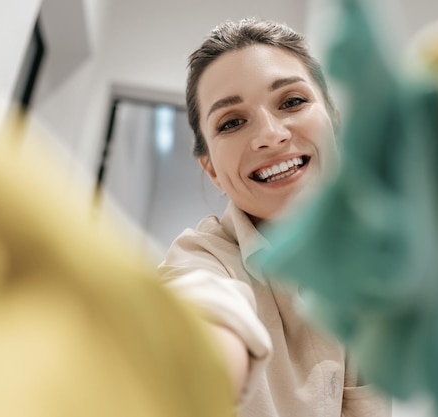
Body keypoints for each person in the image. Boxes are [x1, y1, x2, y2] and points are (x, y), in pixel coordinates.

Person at [157, 17, 391, 417]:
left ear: (334, 122)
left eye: (292, 101)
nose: (270, 134)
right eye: (232, 122)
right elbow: (199, 314)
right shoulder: (202, 264)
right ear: (211, 168)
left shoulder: (373, 259)